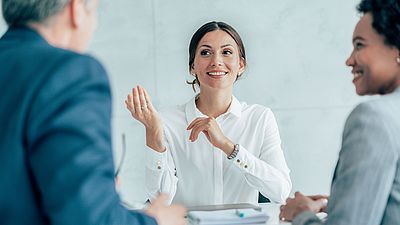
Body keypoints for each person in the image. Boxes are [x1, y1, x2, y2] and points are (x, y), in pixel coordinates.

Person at [0, 0, 186, 225]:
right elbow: (89, 218)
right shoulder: (70, 73)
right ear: (76, 9)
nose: (94, 25)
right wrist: (156, 221)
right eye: (96, 12)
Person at [125, 21, 292, 206]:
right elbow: (159, 200)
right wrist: (154, 134)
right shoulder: (166, 120)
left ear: (241, 65)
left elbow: (281, 192)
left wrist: (229, 147)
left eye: (226, 52)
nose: (216, 61)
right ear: (192, 66)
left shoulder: (260, 118)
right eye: (205, 52)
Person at [279, 0, 400, 224]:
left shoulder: (374, 118)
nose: (349, 60)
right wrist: (333, 203)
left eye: (360, 45)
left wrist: (300, 215)